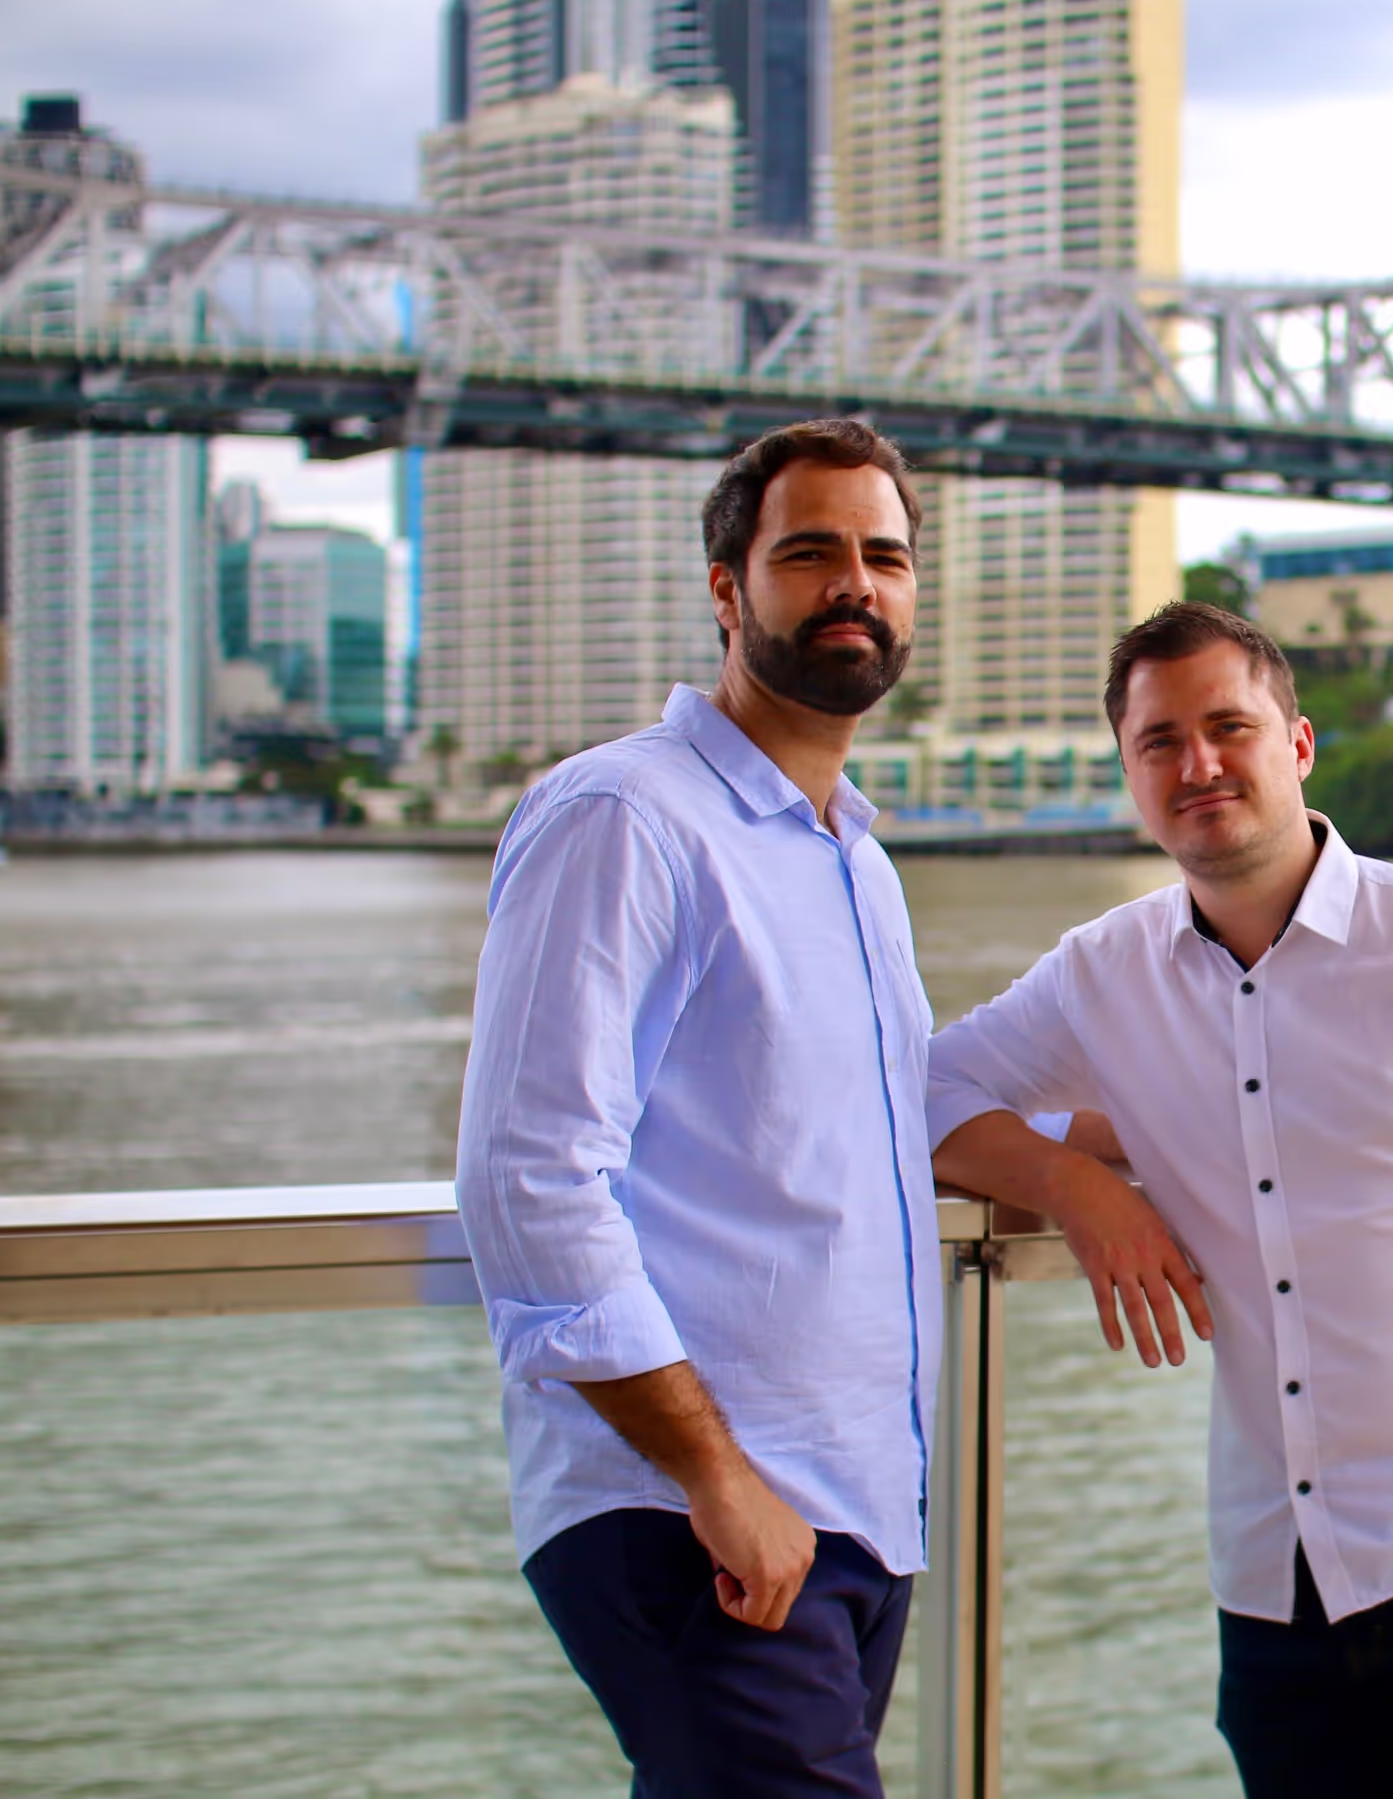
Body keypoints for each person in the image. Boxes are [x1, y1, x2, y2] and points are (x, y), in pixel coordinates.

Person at [926, 601, 1393, 1798]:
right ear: (1129, 774)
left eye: (1228, 728)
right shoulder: (1104, 973)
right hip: (1275, 1576)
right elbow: (921, 1089)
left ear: (1298, 745)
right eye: (1160, 743)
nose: (1198, 765)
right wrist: (1075, 1184)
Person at [454, 419, 941, 1797]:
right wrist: (714, 1477)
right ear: (728, 589)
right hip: (688, 1509)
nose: (856, 582)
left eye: (885, 557)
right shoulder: (628, 816)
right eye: (811, 553)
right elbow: (528, 1174)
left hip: (850, 1510)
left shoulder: (854, 855)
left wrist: (1105, 1157)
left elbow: (892, 1121)